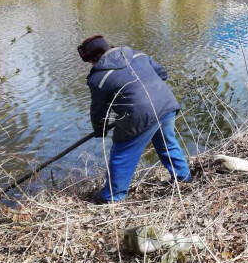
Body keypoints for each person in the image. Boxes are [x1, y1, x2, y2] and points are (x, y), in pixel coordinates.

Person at [78, 35, 191, 203]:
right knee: (167, 144)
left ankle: (112, 198)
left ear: (91, 59)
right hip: (166, 104)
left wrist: (99, 129)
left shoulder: (98, 78)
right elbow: (162, 74)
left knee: (121, 154)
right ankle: (184, 178)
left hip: (140, 116)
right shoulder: (138, 55)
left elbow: (99, 111)